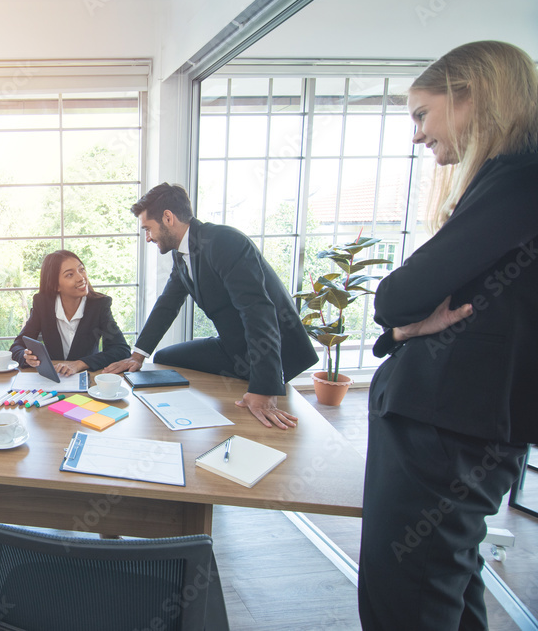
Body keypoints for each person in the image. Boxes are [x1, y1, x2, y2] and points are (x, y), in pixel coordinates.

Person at [358, 40, 538, 631]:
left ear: (472, 96)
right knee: (445, 587)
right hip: (463, 431)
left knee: (404, 601)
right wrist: (408, 323)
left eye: (421, 114)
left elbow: (396, 297)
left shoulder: (516, 178)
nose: (417, 135)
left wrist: (404, 318)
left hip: (444, 434)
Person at [102, 183, 318, 429]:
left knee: (256, 403)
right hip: (233, 346)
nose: (148, 237)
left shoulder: (225, 241)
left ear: (168, 218)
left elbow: (258, 312)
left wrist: (265, 389)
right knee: (164, 358)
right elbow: (168, 304)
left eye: (148, 229)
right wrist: (137, 356)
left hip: (271, 350)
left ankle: (252, 388)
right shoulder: (181, 254)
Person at [10, 250, 130, 376]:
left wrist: (80, 363)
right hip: (53, 378)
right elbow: (17, 346)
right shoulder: (43, 304)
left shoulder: (99, 305)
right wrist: (26, 358)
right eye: (69, 275)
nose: (81, 278)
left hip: (87, 378)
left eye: (81, 269)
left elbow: (121, 350)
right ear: (55, 285)